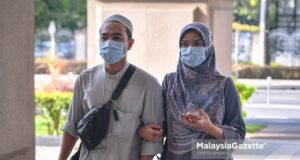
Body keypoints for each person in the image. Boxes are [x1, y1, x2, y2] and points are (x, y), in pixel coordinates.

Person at [58, 14, 163, 160]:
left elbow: (152, 140)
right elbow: (71, 127)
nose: (109, 42)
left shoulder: (148, 85)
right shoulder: (85, 79)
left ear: (130, 44)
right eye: (104, 37)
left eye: (117, 38)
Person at [139, 22, 246, 159]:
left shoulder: (224, 85)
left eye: (197, 44)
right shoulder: (170, 81)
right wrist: (143, 130)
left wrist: (210, 128)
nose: (190, 49)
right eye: (184, 44)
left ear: (209, 48)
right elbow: (161, 125)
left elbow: (238, 136)